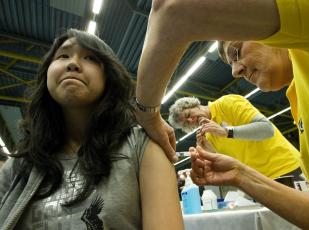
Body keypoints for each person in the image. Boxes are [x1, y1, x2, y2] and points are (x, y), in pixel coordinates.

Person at [134, 0, 309, 229]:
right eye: (185, 123)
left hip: (286, 171)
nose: (235, 70)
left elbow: (172, 8)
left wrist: (148, 112)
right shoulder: (302, 94)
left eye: (235, 52)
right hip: (267, 181)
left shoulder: (227, 102)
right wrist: (237, 172)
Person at [0, 29, 183, 230]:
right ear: (46, 75)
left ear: (109, 76)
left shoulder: (142, 145)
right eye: (63, 55)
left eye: (90, 57)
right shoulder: (19, 166)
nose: (73, 63)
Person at [169, 95, 301, 180]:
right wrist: (209, 152)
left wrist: (227, 132)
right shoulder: (208, 135)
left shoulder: (227, 103)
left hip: (288, 168)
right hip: (260, 181)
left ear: (194, 105)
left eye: (188, 114)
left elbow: (267, 129)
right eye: (186, 123)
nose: (191, 120)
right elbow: (230, 166)